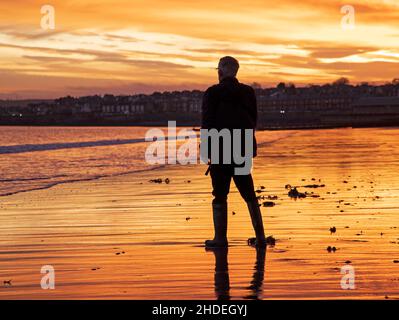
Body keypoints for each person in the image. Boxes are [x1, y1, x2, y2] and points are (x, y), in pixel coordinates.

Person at [201, 56, 266, 248]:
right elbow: (253, 120)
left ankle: (220, 238)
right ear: (236, 72)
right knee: (249, 193)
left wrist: (206, 150)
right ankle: (260, 237)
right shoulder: (248, 92)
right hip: (242, 147)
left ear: (220, 72)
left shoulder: (212, 93)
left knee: (220, 194)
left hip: (220, 148)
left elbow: (207, 124)